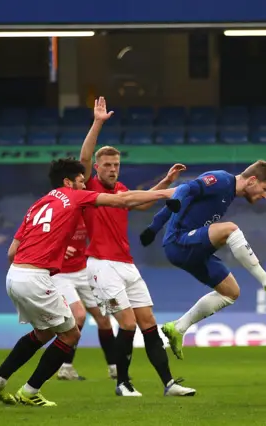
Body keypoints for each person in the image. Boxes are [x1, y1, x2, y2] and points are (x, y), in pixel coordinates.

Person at [0, 158, 176, 407]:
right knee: (71, 333)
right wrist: (170, 191)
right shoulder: (73, 196)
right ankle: (30, 391)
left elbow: (11, 252)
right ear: (68, 182)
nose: (85, 186)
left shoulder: (38, 205)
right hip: (37, 277)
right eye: (82, 181)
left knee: (44, 332)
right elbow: (123, 200)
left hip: (15, 275)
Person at [79, 96, 192, 397]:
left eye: (116, 164)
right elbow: (85, 156)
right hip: (102, 264)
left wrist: (165, 182)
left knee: (148, 323)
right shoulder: (88, 188)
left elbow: (139, 204)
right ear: (97, 168)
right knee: (127, 324)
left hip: (127, 265)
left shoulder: (121, 190)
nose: (113, 169)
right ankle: (122, 383)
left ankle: (169, 384)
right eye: (108, 165)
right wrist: (98, 123)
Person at [139, 162, 266, 361]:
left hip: (191, 248)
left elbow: (179, 203)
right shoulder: (220, 180)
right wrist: (155, 227)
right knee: (230, 229)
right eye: (265, 188)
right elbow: (185, 188)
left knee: (231, 293)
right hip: (179, 242)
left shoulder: (228, 193)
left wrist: (153, 228)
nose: (265, 195)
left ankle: (177, 328)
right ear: (252, 180)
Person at [54, 216, 118, 381]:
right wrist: (59, 247)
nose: (84, 187)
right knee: (79, 316)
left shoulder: (86, 209)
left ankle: (115, 368)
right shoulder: (57, 210)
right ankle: (65, 367)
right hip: (60, 275)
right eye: (80, 186)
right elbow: (41, 238)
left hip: (84, 271)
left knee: (105, 317)